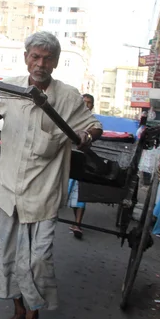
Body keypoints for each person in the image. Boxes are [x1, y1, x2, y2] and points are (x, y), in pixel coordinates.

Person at [0, 31, 103, 319]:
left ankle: (34, 311)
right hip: (7, 187)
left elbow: (95, 126)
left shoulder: (68, 96)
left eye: (47, 58)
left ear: (55, 62)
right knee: (6, 253)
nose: (40, 63)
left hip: (43, 191)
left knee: (39, 257)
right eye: (35, 56)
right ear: (26, 58)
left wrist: (85, 135)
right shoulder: (12, 87)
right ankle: (20, 310)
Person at [67, 93, 96, 238]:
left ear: (92, 106)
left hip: (83, 161)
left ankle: (78, 224)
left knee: (79, 194)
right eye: (83, 102)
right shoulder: (70, 118)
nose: (86, 105)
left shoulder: (93, 123)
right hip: (66, 159)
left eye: (89, 103)